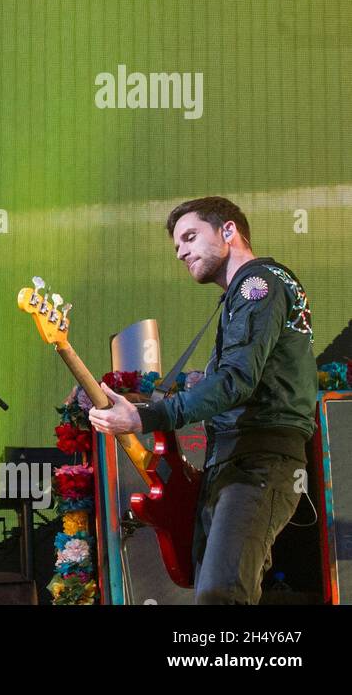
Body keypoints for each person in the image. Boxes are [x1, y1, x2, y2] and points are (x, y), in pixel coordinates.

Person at [89, 197, 317, 604]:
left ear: (228, 231)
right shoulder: (242, 295)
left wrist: (147, 416)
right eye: (177, 245)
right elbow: (242, 376)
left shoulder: (256, 283)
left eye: (191, 237)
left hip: (258, 462)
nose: (181, 251)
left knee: (219, 595)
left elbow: (236, 382)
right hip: (239, 462)